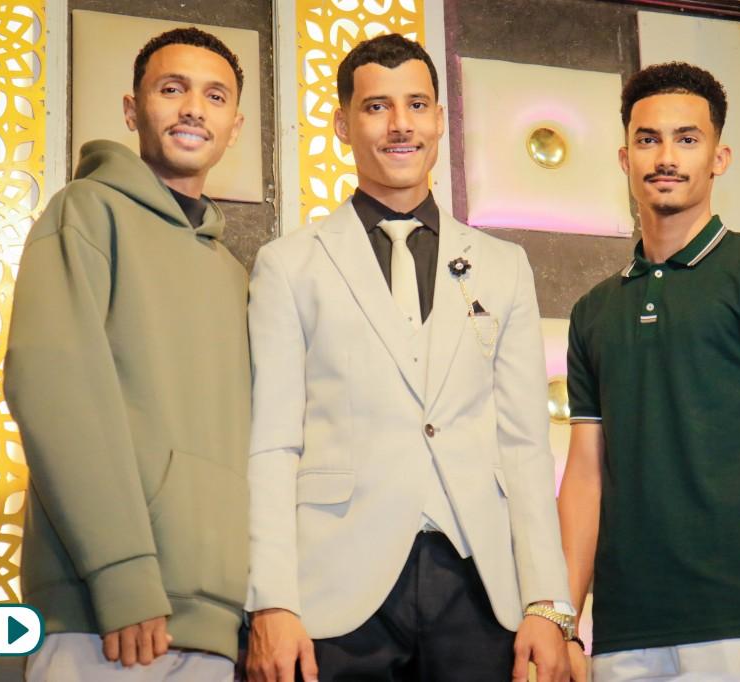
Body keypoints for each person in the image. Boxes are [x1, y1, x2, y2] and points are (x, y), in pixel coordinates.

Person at [244, 33, 574, 682]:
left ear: (440, 120)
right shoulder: (289, 265)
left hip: (479, 585)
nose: (401, 124)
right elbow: (273, 444)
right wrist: (273, 599)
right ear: (343, 125)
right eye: (377, 107)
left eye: (417, 105)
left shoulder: (504, 265)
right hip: (335, 585)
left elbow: (525, 444)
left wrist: (547, 601)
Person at [558, 61, 740, 682]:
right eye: (647, 140)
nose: (666, 157)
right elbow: (584, 476)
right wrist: (564, 622)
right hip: (621, 636)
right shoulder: (593, 311)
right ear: (625, 158)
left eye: (687, 139)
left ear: (719, 158)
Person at [4, 27, 250, 682]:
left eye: (215, 96)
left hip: (216, 626)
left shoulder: (234, 274)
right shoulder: (84, 213)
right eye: (172, 89)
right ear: (131, 109)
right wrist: (121, 574)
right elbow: (55, 393)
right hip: (103, 618)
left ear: (235, 126)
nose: (193, 108)